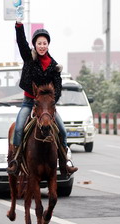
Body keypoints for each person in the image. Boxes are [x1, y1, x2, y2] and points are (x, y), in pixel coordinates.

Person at [7, 10, 78, 176]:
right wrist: (18, 25)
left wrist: (52, 102)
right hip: (29, 102)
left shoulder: (54, 66)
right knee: (18, 128)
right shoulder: (29, 58)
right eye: (39, 43)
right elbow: (21, 43)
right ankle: (15, 161)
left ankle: (65, 162)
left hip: (47, 107)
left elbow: (58, 87)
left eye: (44, 43)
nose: (42, 46)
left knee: (62, 131)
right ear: (35, 45)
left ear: (48, 45)